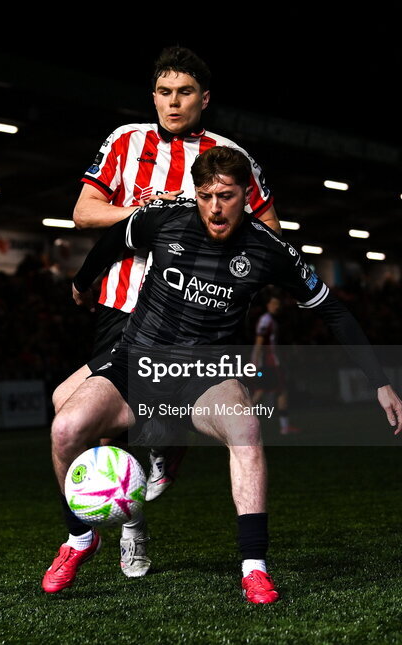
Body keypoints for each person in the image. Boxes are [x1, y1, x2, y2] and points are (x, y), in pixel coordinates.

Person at [42, 146, 402, 603]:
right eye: (206, 195)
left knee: (246, 428)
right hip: (136, 361)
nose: (215, 207)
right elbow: (114, 238)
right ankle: (81, 539)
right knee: (65, 428)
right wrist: (82, 281)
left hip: (207, 372)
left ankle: (253, 567)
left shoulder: (269, 249)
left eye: (227, 196)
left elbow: (333, 311)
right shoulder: (163, 219)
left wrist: (380, 381)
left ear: (246, 194)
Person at [51, 46, 283, 577]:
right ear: (152, 95)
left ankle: (170, 441)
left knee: (161, 411)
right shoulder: (124, 141)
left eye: (184, 93)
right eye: (163, 92)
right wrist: (146, 214)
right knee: (103, 422)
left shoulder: (229, 155)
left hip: (193, 310)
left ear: (205, 98)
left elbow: (271, 232)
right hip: (121, 300)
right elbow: (84, 212)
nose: (172, 103)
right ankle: (131, 530)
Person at [251, 295, 301, 435]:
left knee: (264, 392)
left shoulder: (270, 320)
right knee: (279, 391)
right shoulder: (267, 320)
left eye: (278, 303)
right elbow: (260, 341)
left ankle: (239, 421)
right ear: (267, 305)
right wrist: (255, 362)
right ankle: (284, 427)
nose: (276, 306)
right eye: (273, 303)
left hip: (268, 363)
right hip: (269, 363)